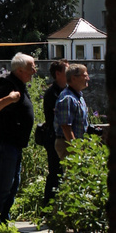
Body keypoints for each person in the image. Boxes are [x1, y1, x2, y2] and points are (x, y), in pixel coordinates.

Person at [0, 52, 37, 223]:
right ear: (20, 70)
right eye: (31, 67)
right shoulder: (9, 85)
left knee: (12, 185)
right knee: (4, 185)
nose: (34, 71)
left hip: (13, 144)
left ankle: (2, 220)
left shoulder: (19, 84)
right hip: (4, 143)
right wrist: (10, 98)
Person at [43, 59, 68, 205]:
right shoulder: (52, 93)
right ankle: (48, 207)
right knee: (55, 173)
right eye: (67, 70)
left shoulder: (66, 91)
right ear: (58, 74)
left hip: (60, 137)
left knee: (61, 174)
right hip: (54, 137)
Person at [54, 63, 90, 160]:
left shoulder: (78, 96)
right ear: (74, 78)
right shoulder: (68, 98)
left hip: (76, 143)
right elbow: (66, 126)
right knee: (72, 174)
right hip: (68, 144)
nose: (88, 78)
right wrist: (75, 147)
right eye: (85, 75)